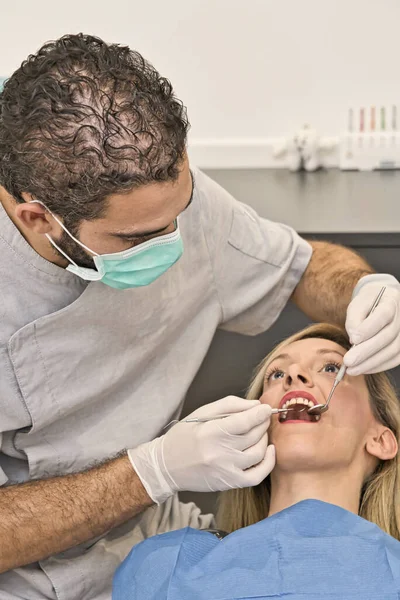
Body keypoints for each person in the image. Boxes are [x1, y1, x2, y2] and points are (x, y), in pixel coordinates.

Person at [0, 32, 400, 599]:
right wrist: (152, 471)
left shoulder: (167, 195)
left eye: (334, 366)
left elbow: (303, 268)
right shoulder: (171, 566)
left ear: (385, 439)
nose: (176, 242)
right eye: (140, 237)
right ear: (39, 219)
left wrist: (366, 287)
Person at [113, 323, 400, 599]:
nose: (294, 375)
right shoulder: (163, 567)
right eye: (276, 374)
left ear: (381, 440)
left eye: (331, 368)